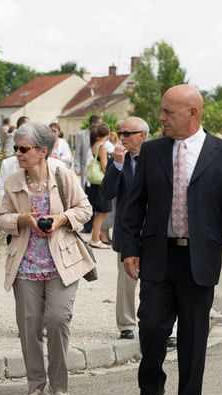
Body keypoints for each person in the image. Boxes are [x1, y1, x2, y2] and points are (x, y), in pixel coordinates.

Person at [122, 84, 222, 395]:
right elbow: (133, 206)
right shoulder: (151, 152)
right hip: (157, 256)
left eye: (168, 112)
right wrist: (129, 249)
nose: (161, 118)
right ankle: (149, 389)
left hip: (199, 258)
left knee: (194, 336)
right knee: (150, 327)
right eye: (162, 111)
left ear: (193, 112)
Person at [0, 123, 94, 395]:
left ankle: (59, 386)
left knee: (58, 319)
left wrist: (61, 219)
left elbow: (85, 209)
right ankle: (35, 385)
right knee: (30, 326)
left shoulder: (63, 175)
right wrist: (22, 220)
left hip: (61, 262)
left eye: (23, 149)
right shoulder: (14, 181)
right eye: (15, 148)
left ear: (43, 151)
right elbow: (1, 217)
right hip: (25, 264)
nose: (18, 154)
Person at [100, 117, 149, 339]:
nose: (122, 138)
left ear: (142, 135)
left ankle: (158, 325)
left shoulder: (156, 158)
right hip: (127, 231)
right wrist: (116, 166)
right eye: (120, 134)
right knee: (127, 281)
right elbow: (106, 193)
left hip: (153, 230)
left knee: (156, 282)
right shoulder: (119, 160)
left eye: (127, 134)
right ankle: (126, 325)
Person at [87, 123, 112, 249]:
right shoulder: (103, 147)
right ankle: (95, 239)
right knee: (102, 212)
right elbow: (104, 167)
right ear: (108, 133)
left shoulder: (95, 145)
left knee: (99, 212)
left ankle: (94, 237)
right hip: (102, 183)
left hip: (95, 184)